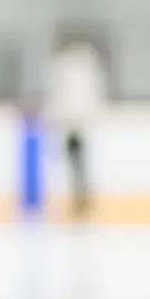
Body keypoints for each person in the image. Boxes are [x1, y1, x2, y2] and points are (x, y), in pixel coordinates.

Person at [44, 32, 108, 219]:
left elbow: (66, 99)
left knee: (78, 165)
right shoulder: (81, 69)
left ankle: (82, 202)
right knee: (76, 165)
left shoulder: (69, 69)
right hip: (74, 124)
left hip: (75, 124)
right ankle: (80, 202)